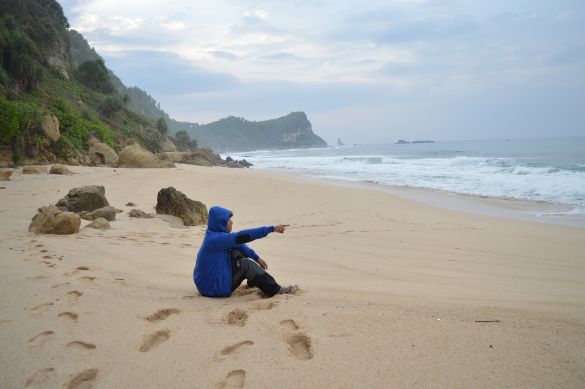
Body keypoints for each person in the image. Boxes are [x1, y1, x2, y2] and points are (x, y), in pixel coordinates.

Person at [194, 205, 297, 297]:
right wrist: (271, 229)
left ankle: (253, 280)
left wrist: (256, 257)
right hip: (215, 288)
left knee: (236, 251)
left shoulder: (212, 235)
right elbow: (243, 236)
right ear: (221, 224)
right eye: (229, 221)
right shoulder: (217, 239)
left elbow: (239, 244)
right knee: (247, 264)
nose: (232, 222)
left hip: (204, 285)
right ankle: (276, 290)